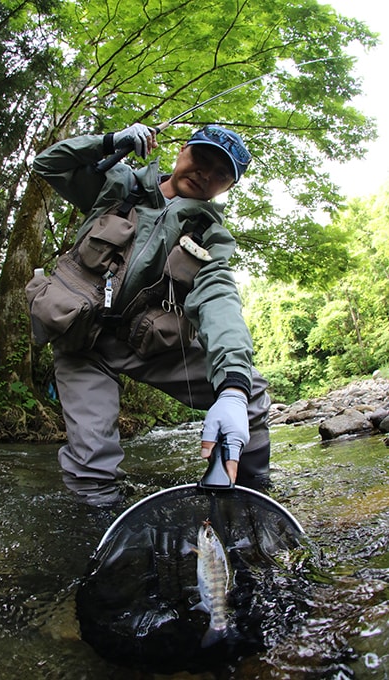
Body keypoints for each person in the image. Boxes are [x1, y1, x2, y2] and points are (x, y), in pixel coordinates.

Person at [32, 123, 271, 506]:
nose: (205, 174)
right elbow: (48, 164)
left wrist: (231, 388)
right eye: (201, 158)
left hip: (151, 348)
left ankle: (252, 497)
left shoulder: (210, 235)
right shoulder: (117, 185)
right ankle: (98, 533)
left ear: (227, 187)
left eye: (220, 174)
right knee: (91, 468)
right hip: (82, 345)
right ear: (181, 151)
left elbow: (219, 299)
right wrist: (111, 142)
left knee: (249, 393)